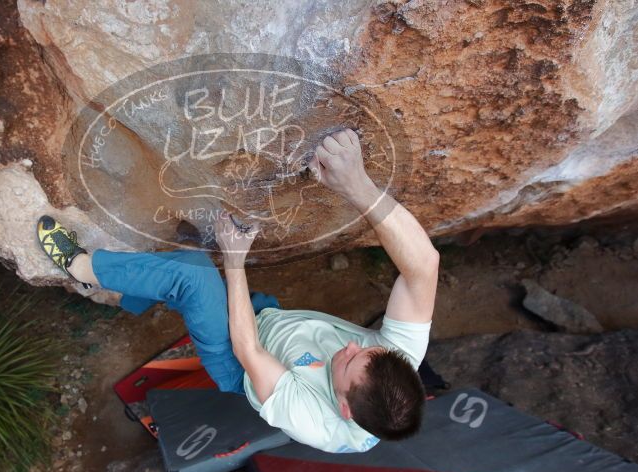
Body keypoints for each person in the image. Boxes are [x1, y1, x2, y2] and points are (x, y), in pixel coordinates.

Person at [36, 128, 438, 454]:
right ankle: (128, 295)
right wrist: (356, 184)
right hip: (271, 320)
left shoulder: (315, 423)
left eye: (349, 362)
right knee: (192, 267)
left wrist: (234, 260)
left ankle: (82, 267)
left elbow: (250, 352)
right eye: (367, 348)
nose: (351, 345)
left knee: (193, 275)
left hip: (238, 358)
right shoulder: (395, 364)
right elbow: (424, 266)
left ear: (345, 408)